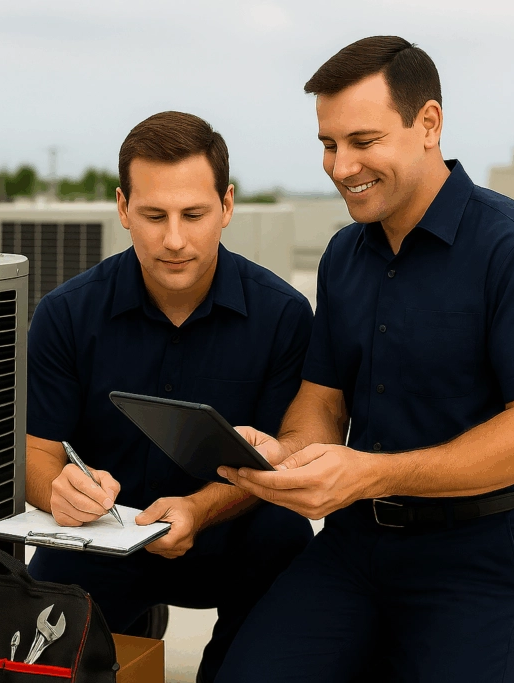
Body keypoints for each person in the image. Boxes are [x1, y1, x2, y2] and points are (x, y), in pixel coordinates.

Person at [216, 37, 514, 683]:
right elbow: (323, 401)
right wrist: (287, 453)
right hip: (358, 543)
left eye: (363, 140)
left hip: (480, 546)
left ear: (428, 124)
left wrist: (373, 473)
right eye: (329, 144)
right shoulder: (343, 257)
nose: (340, 165)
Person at [24, 111, 315, 683]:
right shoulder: (65, 314)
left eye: (194, 215)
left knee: (288, 539)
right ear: (123, 208)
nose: (174, 239)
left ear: (227, 207)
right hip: (103, 537)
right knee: (25, 658)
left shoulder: (283, 315)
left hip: (233, 533)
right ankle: (129, 618)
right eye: (154, 215)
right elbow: (37, 454)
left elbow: (282, 458)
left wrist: (199, 510)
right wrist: (58, 492)